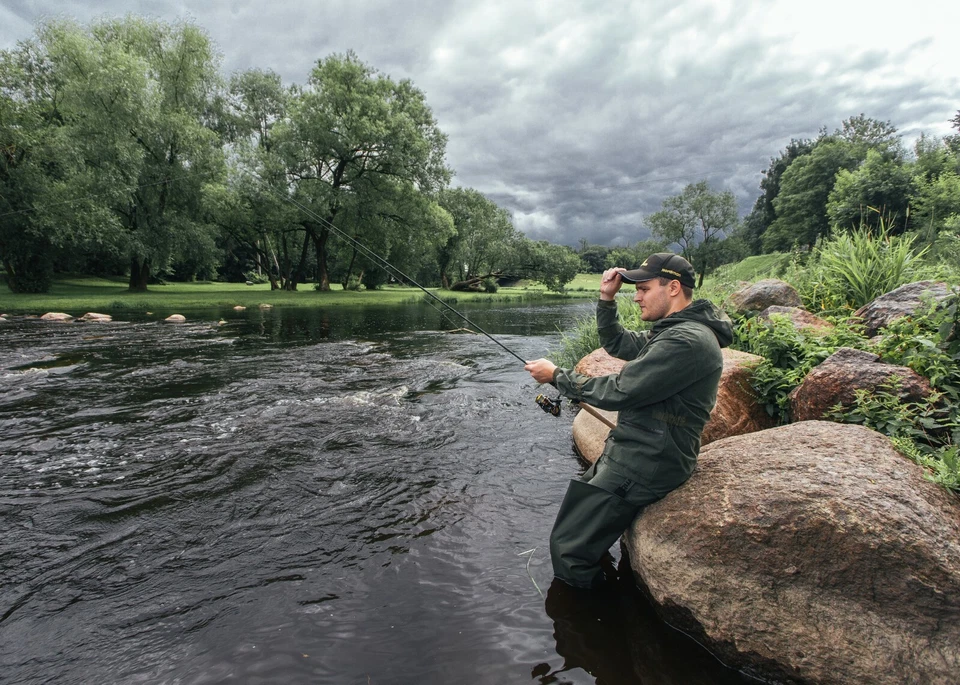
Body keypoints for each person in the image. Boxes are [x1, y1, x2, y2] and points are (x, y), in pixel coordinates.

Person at [524, 252, 733, 589]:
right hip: (634, 448)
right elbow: (618, 342)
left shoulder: (686, 341)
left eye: (644, 288)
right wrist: (606, 298)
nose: (636, 296)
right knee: (577, 507)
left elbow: (621, 391)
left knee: (568, 550)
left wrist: (556, 376)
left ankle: (593, 626)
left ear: (674, 287)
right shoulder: (674, 332)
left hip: (647, 461)